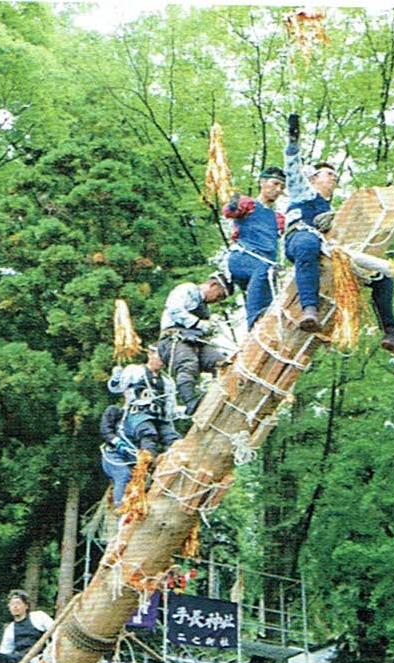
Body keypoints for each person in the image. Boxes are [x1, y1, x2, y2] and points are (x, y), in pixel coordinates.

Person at [283, 112, 394, 359]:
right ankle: (309, 309)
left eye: (335, 175)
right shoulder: (302, 194)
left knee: (377, 271)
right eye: (328, 174)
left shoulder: (339, 214)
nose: (334, 177)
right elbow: (292, 168)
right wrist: (293, 142)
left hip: (335, 250)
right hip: (302, 240)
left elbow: (370, 230)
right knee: (308, 242)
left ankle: (391, 332)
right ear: (313, 178)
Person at [102, 346, 181, 508]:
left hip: (159, 417)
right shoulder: (134, 371)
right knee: (148, 434)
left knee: (174, 439)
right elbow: (116, 388)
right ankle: (147, 459)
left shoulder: (167, 382)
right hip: (138, 416)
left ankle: (173, 464)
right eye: (160, 356)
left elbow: (171, 409)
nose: (162, 362)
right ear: (150, 354)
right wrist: (116, 377)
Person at [157, 272, 232, 415]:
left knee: (221, 363)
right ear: (213, 285)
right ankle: (191, 401)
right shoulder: (187, 289)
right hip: (174, 338)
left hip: (195, 341)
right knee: (187, 364)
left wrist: (209, 328)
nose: (218, 300)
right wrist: (198, 323)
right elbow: (174, 309)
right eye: (219, 295)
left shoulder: (205, 308)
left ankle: (221, 394)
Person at [223, 168, 286, 330]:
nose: (278, 190)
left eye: (282, 187)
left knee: (271, 300)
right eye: (275, 184)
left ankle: (267, 328)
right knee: (263, 271)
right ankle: (253, 324)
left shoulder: (277, 218)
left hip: (265, 265)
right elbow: (229, 211)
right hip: (244, 257)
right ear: (262, 182)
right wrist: (233, 201)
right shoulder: (249, 205)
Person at [0, 590, 53, 663]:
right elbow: (5, 651)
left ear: (26, 606)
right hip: (20, 660)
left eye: (18, 603)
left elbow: (55, 631)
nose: (15, 606)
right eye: (12, 604)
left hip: (40, 657)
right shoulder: (10, 628)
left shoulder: (38, 617)